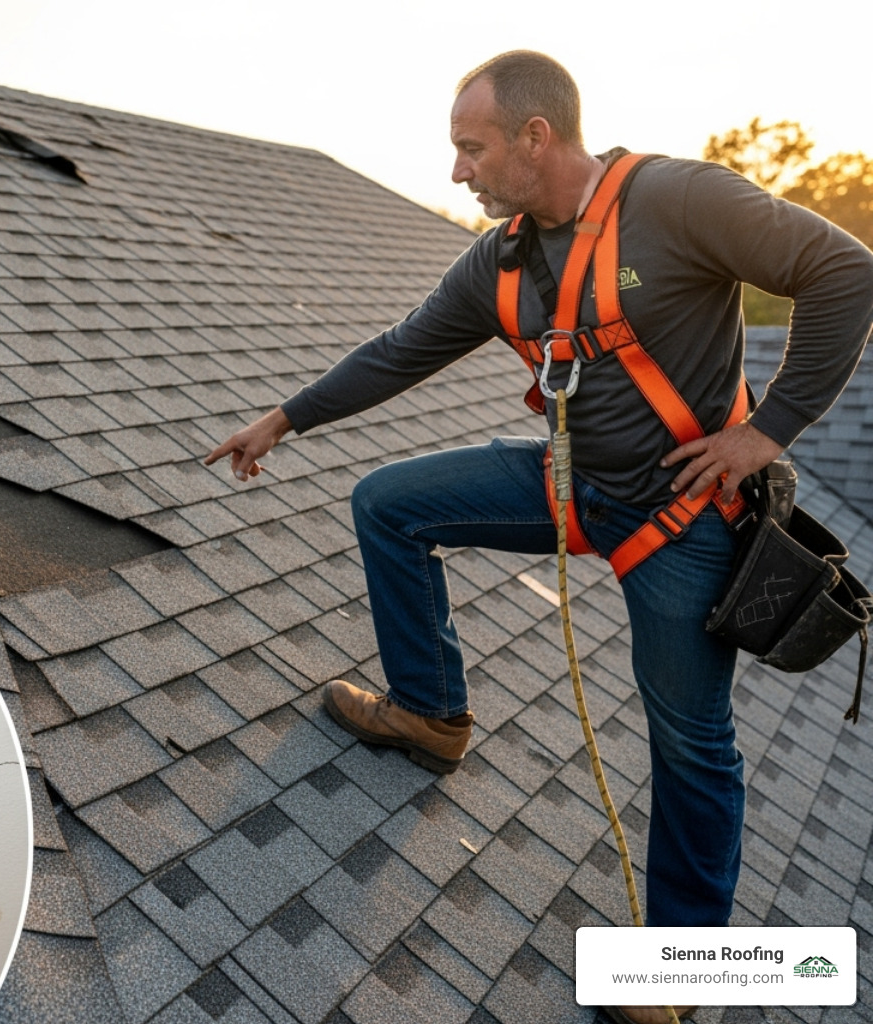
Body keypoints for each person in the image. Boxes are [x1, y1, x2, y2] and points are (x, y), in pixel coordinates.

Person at [206, 51, 873, 1024]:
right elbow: (401, 349)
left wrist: (766, 430)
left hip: (681, 518)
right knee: (389, 503)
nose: (456, 172)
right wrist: (286, 417)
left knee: (693, 741)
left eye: (470, 149)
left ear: (535, 137)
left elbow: (844, 270)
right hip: (571, 486)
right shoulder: (501, 259)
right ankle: (431, 713)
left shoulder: (678, 201)